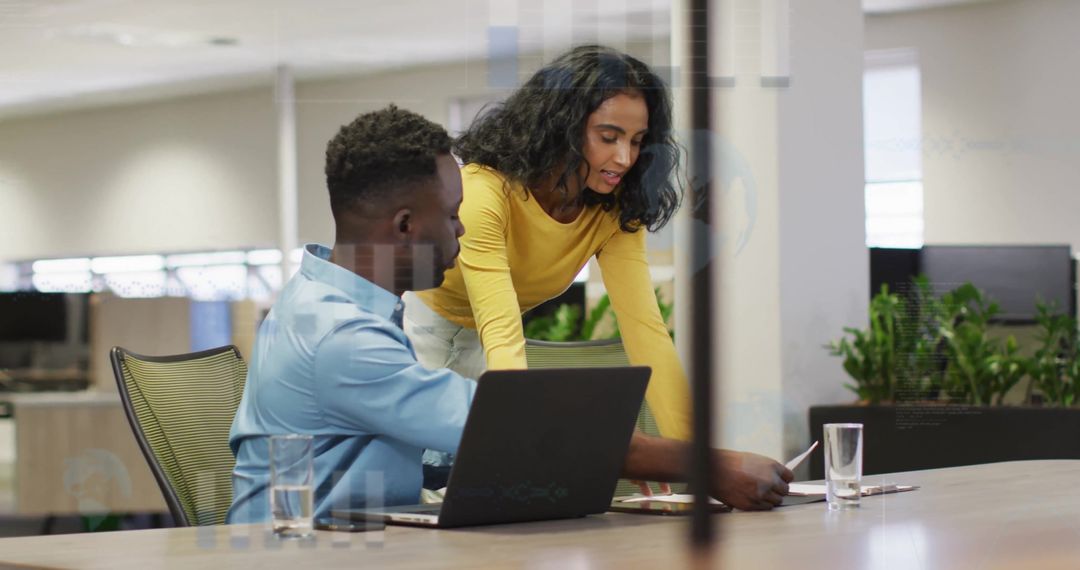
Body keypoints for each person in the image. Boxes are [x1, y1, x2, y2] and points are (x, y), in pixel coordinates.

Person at [404, 45, 793, 505]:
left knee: (478, 488)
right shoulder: (487, 191)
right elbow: (503, 333)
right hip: (419, 327)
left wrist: (701, 461)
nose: (625, 158)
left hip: (476, 343)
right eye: (608, 136)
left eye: (636, 139)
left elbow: (647, 332)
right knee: (417, 483)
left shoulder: (613, 210)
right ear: (562, 129)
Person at [226, 105, 473, 523]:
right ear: (405, 226)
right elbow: (493, 422)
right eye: (452, 214)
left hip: (345, 539)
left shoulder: (319, 302)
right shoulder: (339, 335)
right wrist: (615, 449)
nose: (461, 230)